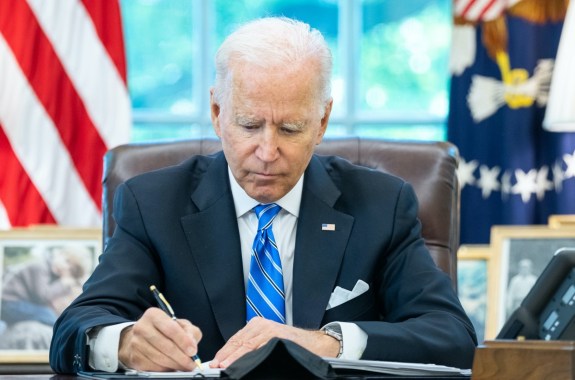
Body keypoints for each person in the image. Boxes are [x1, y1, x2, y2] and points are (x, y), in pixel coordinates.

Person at [49, 17, 477, 374]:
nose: (268, 152)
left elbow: (451, 335)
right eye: (250, 125)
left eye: (290, 129)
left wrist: (325, 342)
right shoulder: (153, 203)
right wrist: (124, 342)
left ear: (322, 120)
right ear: (218, 114)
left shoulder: (380, 205)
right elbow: (76, 327)